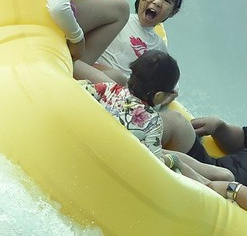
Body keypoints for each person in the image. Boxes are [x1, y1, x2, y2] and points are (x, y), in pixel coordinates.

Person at [85, 50, 213, 185]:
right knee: (184, 163)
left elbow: (79, 92)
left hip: (93, 144)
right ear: (159, 95)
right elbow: (154, 163)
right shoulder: (152, 122)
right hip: (116, 167)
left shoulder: (107, 89)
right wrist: (173, 160)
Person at [95, 0, 186, 83]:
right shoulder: (119, 17)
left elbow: (167, 85)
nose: (157, 2)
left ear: (173, 12)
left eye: (167, 1)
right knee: (120, 78)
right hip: (93, 74)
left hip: (119, 94)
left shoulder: (159, 48)